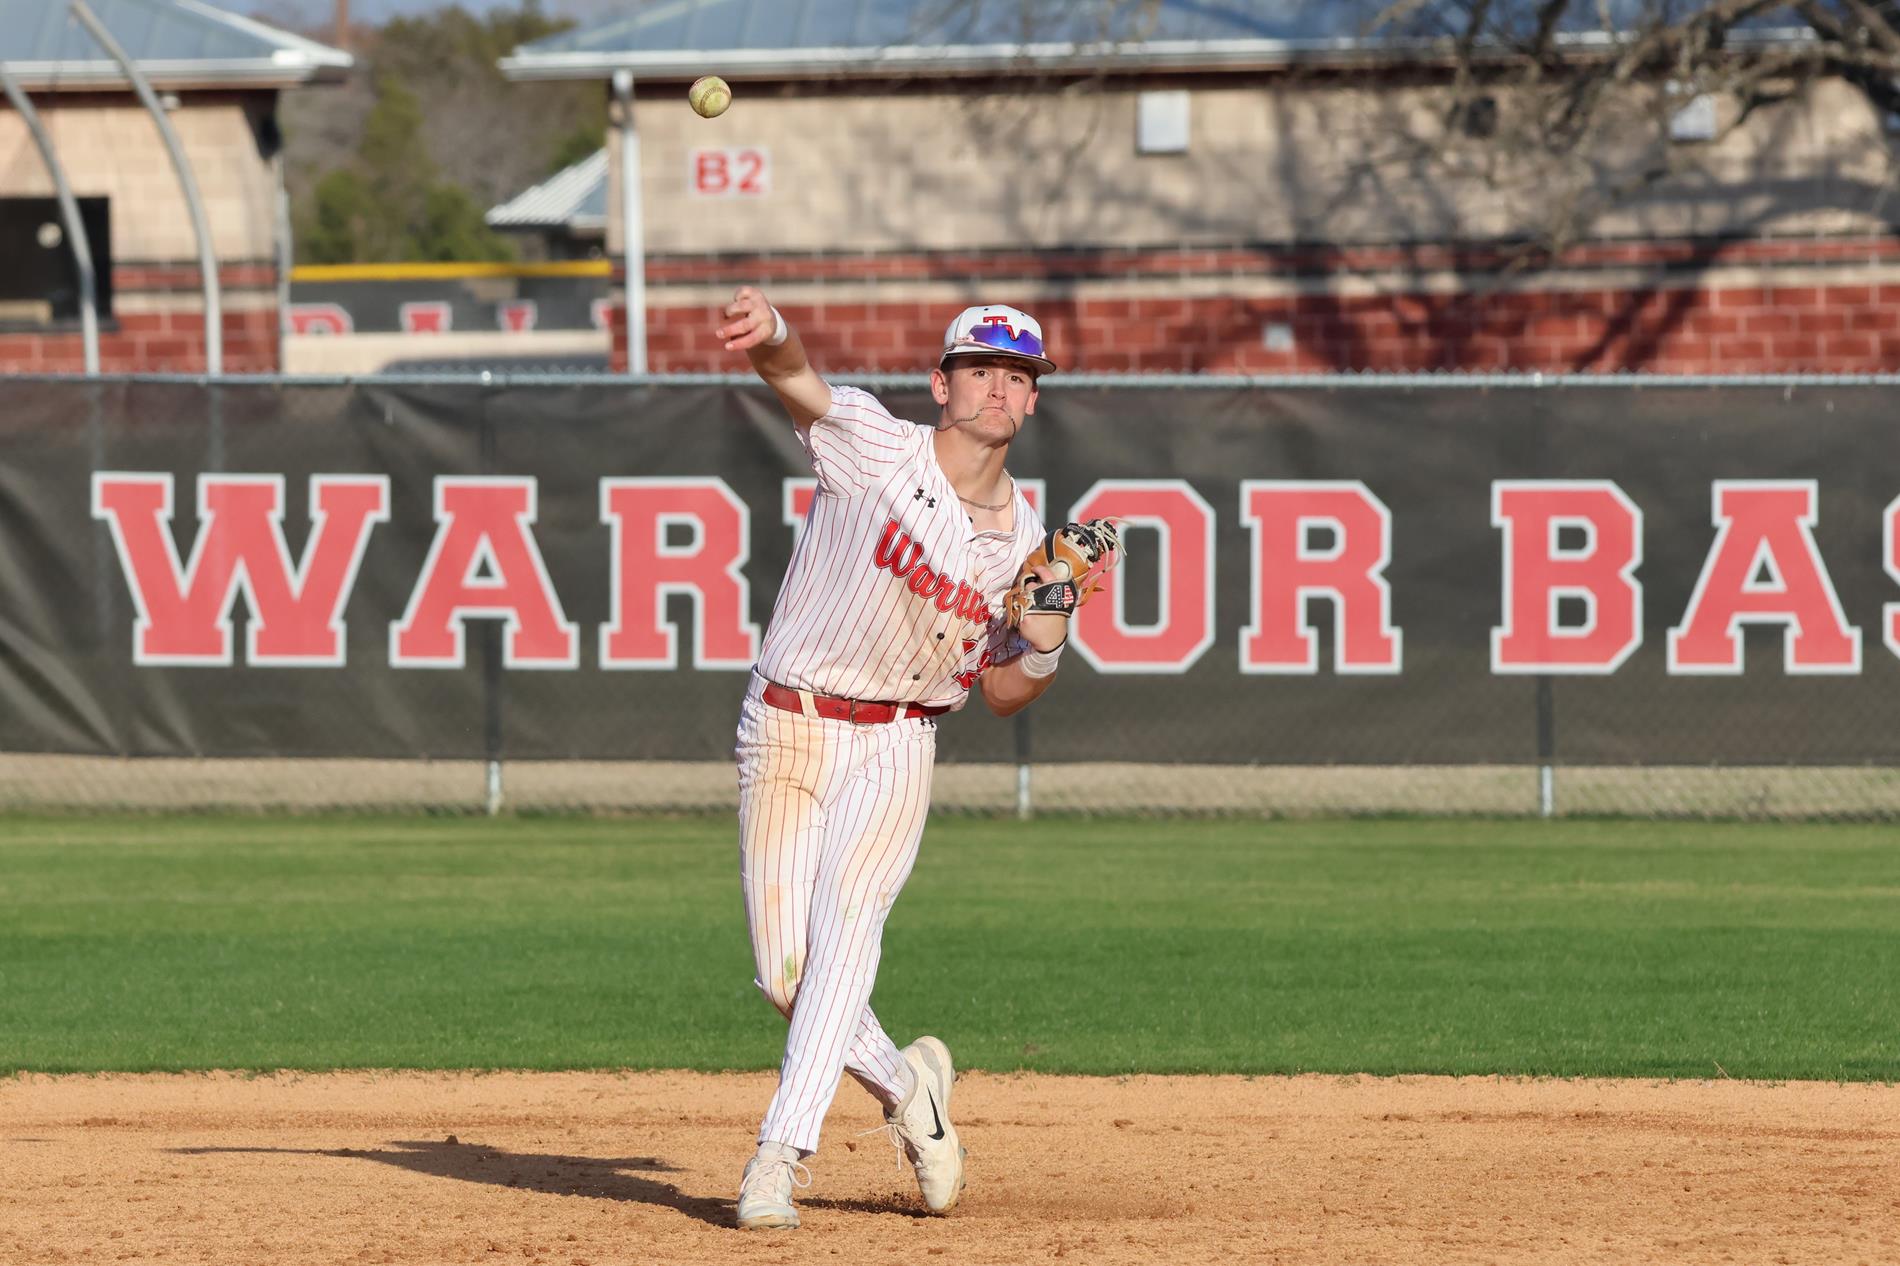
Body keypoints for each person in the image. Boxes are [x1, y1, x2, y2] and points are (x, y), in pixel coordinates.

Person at [714, 286, 1074, 1231]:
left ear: (1033, 401)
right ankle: (909, 1086)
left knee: (845, 943)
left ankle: (775, 1160)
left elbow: (1000, 690)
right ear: (942, 382)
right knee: (785, 975)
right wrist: (774, 332)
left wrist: (1044, 640)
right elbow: (796, 378)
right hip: (786, 724)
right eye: (981, 369)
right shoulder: (878, 447)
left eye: (1018, 376)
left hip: (897, 743)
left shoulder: (1028, 550)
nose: (999, 388)